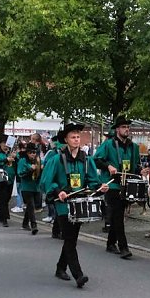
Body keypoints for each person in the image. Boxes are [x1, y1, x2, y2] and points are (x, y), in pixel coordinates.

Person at [40, 123, 108, 287]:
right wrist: (58, 192)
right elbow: (46, 181)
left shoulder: (86, 160)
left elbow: (92, 181)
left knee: (71, 239)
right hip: (63, 205)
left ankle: (60, 267)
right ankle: (78, 275)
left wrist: (100, 188)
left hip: (80, 205)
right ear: (66, 140)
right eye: (73, 137)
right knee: (70, 238)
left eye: (78, 137)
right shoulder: (56, 159)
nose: (76, 139)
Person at [95, 116, 141, 259]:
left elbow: (136, 166)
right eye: (123, 127)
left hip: (127, 184)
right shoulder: (108, 144)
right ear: (117, 129)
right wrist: (108, 166)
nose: (126, 129)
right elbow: (96, 159)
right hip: (112, 185)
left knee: (117, 214)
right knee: (118, 215)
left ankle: (110, 243)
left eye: (128, 127)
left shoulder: (134, 147)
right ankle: (124, 247)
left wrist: (141, 172)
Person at [16, 142, 42, 234]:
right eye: (30, 152)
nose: (32, 154)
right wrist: (30, 169)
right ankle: (34, 225)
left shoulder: (38, 161)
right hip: (26, 187)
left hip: (36, 187)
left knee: (31, 206)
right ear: (27, 153)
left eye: (34, 152)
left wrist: (41, 169)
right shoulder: (23, 161)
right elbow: (20, 173)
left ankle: (25, 223)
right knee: (30, 205)